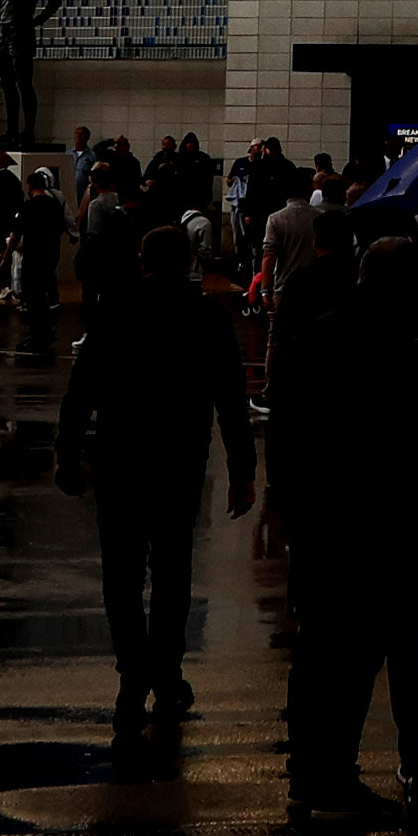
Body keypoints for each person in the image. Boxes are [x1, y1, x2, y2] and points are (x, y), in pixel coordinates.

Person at [262, 227, 418, 821]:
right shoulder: (406, 350)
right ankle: (339, 774)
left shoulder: (313, 339)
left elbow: (285, 432)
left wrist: (285, 504)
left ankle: (309, 772)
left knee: (320, 653)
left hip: (322, 522)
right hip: (382, 526)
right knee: (367, 656)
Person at [57, 219, 260, 721]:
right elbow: (232, 400)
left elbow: (81, 389)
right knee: (172, 570)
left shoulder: (115, 310)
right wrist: (242, 470)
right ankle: (167, 669)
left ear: (142, 261)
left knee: (121, 572)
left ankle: (132, 671)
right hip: (180, 459)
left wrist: (67, 453)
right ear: (190, 261)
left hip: (121, 456)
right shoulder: (209, 316)